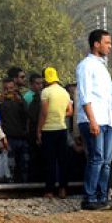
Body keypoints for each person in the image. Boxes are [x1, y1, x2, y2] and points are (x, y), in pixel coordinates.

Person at [76, 29, 112, 210]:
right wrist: (92, 120)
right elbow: (84, 95)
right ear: (96, 44)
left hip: (107, 120)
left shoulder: (103, 68)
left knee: (106, 161)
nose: (110, 46)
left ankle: (102, 197)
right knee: (96, 159)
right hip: (93, 119)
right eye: (107, 43)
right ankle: (89, 198)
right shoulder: (86, 66)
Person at [37, 67, 72, 198]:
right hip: (62, 129)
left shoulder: (45, 92)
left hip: (48, 130)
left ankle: (49, 190)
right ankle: (63, 189)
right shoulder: (64, 92)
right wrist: (59, 114)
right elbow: (70, 111)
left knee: (49, 161)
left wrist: (39, 130)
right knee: (62, 161)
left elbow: (44, 113)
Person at [0, 78, 29, 183]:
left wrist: (21, 102)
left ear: (15, 88)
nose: (8, 91)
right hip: (8, 138)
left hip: (22, 137)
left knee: (24, 165)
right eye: (6, 89)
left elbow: (28, 115)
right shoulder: (0, 103)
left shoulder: (20, 100)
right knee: (10, 166)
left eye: (11, 88)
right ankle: (11, 185)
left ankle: (23, 186)